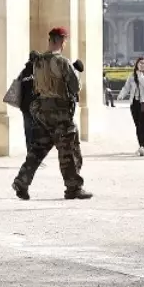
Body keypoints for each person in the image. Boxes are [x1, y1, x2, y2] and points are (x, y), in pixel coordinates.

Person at [13, 27, 92, 202]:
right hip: (60, 113)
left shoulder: (38, 62)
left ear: (50, 40)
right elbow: (74, 87)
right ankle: (73, 187)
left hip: (41, 112)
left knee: (38, 149)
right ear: (62, 41)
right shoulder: (63, 62)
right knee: (69, 150)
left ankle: (22, 181)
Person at [117, 56, 144, 156]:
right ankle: (140, 145)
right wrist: (121, 95)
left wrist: (141, 76)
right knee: (138, 125)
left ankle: (143, 146)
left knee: (143, 124)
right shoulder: (132, 76)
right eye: (140, 63)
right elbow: (126, 87)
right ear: (137, 64)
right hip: (134, 103)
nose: (142, 65)